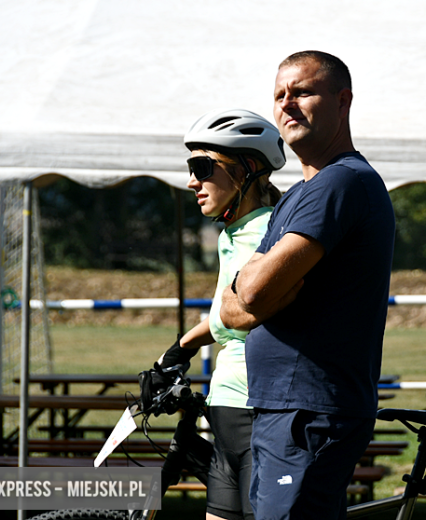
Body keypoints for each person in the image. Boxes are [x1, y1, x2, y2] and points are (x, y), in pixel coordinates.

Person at [218, 51, 396, 520]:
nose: (287, 104)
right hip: (285, 407)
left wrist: (255, 290)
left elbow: (251, 295)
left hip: (310, 410)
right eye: (279, 95)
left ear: (343, 101)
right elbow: (230, 312)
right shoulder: (299, 194)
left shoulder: (342, 184)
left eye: (302, 92)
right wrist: (258, 290)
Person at [156, 108, 286, 520]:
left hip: (256, 410)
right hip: (227, 406)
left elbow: (243, 312)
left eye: (202, 167)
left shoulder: (266, 230)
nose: (192, 181)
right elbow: (222, 313)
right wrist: (178, 349)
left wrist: (183, 346)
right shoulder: (236, 231)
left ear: (247, 168)